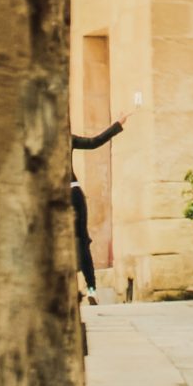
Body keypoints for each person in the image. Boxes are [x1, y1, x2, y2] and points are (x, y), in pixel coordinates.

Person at [69, 116, 123, 300]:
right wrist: (118, 125)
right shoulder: (67, 139)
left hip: (56, 194)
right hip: (73, 192)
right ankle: (91, 288)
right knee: (82, 240)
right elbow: (94, 142)